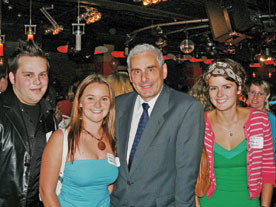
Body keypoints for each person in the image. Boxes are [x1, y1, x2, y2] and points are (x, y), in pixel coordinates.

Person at [110, 43, 205, 207]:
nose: (144, 78)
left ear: (164, 71)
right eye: (137, 72)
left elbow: (186, 172)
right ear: (130, 77)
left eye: (151, 69)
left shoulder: (186, 108)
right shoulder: (118, 105)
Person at [190, 58, 275, 207]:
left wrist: (265, 205)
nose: (219, 94)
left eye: (227, 87)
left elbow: (267, 168)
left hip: (248, 203)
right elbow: (189, 172)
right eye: (213, 88)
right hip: (208, 203)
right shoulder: (199, 123)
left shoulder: (259, 120)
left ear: (239, 88)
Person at [40, 74, 119, 207]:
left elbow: (107, 187)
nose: (98, 105)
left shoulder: (111, 138)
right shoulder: (61, 138)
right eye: (90, 98)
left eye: (104, 99)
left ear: (110, 103)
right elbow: (46, 191)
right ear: (80, 102)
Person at [0, 40, 57, 207]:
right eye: (28, 75)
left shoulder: (49, 116)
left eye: (42, 74)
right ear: (12, 77)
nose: (38, 81)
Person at [247, 79, 276, 207]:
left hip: (264, 175)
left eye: (260, 94)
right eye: (252, 92)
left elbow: (270, 152)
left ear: (267, 96)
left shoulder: (270, 120)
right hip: (246, 172)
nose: (255, 97)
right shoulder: (241, 115)